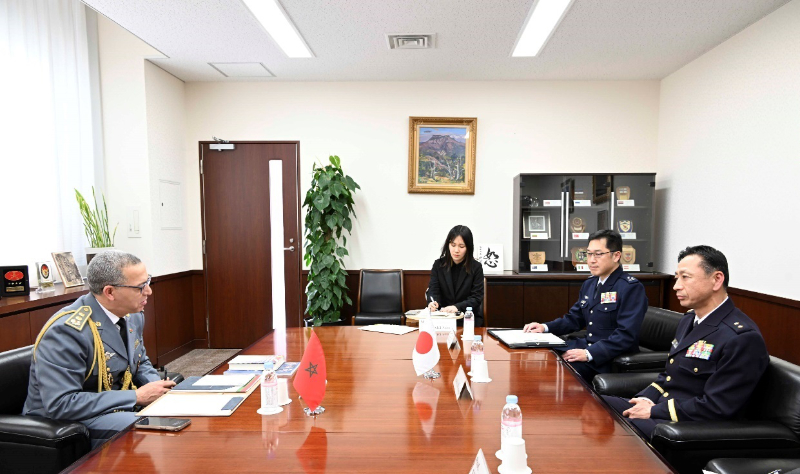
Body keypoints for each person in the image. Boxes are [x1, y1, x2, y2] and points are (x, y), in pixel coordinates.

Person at [602, 245, 769, 438]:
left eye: (685, 277)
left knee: (617, 433)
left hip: (687, 424)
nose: (676, 286)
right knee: (591, 405)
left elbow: (717, 407)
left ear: (717, 280)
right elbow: (669, 375)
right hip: (662, 409)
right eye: (676, 277)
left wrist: (654, 411)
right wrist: (645, 398)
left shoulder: (741, 337)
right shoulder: (689, 320)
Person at [24, 251, 176, 448]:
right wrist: (136, 397)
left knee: (178, 414)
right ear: (110, 292)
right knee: (154, 429)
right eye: (140, 287)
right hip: (67, 420)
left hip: (112, 406)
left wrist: (161, 390)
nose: (149, 291)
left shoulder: (132, 315)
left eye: (147, 281)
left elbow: (140, 362)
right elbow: (62, 404)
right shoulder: (67, 332)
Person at [523, 230, 648, 382]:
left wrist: (588, 354)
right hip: (585, 347)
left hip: (607, 358)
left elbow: (625, 335)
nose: (591, 260)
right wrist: (544, 327)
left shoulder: (630, 287)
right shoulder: (591, 283)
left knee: (558, 371)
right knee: (539, 354)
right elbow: (574, 319)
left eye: (598, 254)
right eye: (588, 254)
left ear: (616, 256)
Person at [426, 225, 485, 327]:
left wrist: (457, 307)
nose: (456, 250)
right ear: (448, 244)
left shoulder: (476, 267)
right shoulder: (438, 265)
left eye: (461, 246)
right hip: (443, 318)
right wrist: (434, 303)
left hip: (468, 319)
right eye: (453, 245)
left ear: (468, 247)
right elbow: (433, 289)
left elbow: (476, 297)